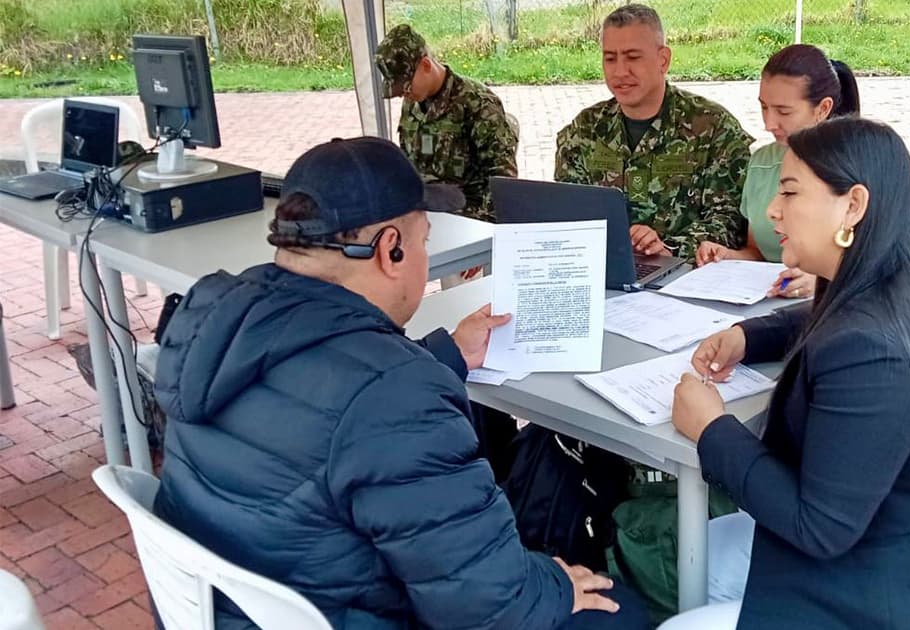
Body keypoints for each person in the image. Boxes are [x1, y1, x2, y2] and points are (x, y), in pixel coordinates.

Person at [151, 137, 646, 629]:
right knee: (621, 613)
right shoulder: (398, 397)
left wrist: (447, 357)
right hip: (348, 613)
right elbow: (488, 606)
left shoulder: (215, 317)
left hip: (217, 608)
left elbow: (325, 400)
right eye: (424, 241)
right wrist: (555, 584)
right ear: (391, 249)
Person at [662, 118, 910, 629]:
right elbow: (825, 317)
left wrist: (711, 428)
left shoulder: (875, 347)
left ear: (853, 205)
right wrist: (749, 336)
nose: (772, 209)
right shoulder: (908, 283)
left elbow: (818, 526)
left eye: (790, 192)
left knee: (684, 575)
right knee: (702, 548)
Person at [694, 45, 910, 297]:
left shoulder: (868, 173)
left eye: (783, 111)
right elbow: (758, 250)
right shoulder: (761, 163)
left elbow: (900, 278)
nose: (769, 123)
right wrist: (730, 257)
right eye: (763, 107)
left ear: (823, 109)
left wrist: (825, 279)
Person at [555, 4, 752, 260]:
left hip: (686, 272)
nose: (620, 71)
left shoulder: (714, 128)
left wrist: (670, 248)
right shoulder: (584, 130)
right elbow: (568, 215)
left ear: (663, 60)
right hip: (604, 269)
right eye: (610, 58)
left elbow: (730, 221)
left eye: (633, 57)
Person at [376, 23, 518, 288]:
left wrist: (482, 240)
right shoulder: (413, 104)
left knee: (463, 297)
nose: (404, 94)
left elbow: (502, 177)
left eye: (406, 86)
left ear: (426, 64)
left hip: (468, 220)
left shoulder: (477, 103)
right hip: (425, 216)